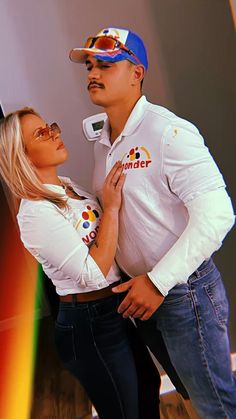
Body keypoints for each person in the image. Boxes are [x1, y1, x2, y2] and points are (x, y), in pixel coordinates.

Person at [69, 26, 236, 418]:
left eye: (107, 65)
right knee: (191, 398)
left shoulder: (168, 132)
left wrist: (158, 281)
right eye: (90, 65)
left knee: (216, 405)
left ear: (137, 73)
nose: (93, 73)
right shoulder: (104, 141)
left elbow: (218, 214)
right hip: (140, 296)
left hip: (182, 294)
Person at [0, 107, 161, 419]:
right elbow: (91, 273)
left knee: (147, 387)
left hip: (113, 309)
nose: (55, 133)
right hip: (88, 324)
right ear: (24, 156)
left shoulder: (68, 186)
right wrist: (111, 208)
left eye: (50, 126)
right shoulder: (35, 213)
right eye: (41, 134)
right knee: (125, 411)